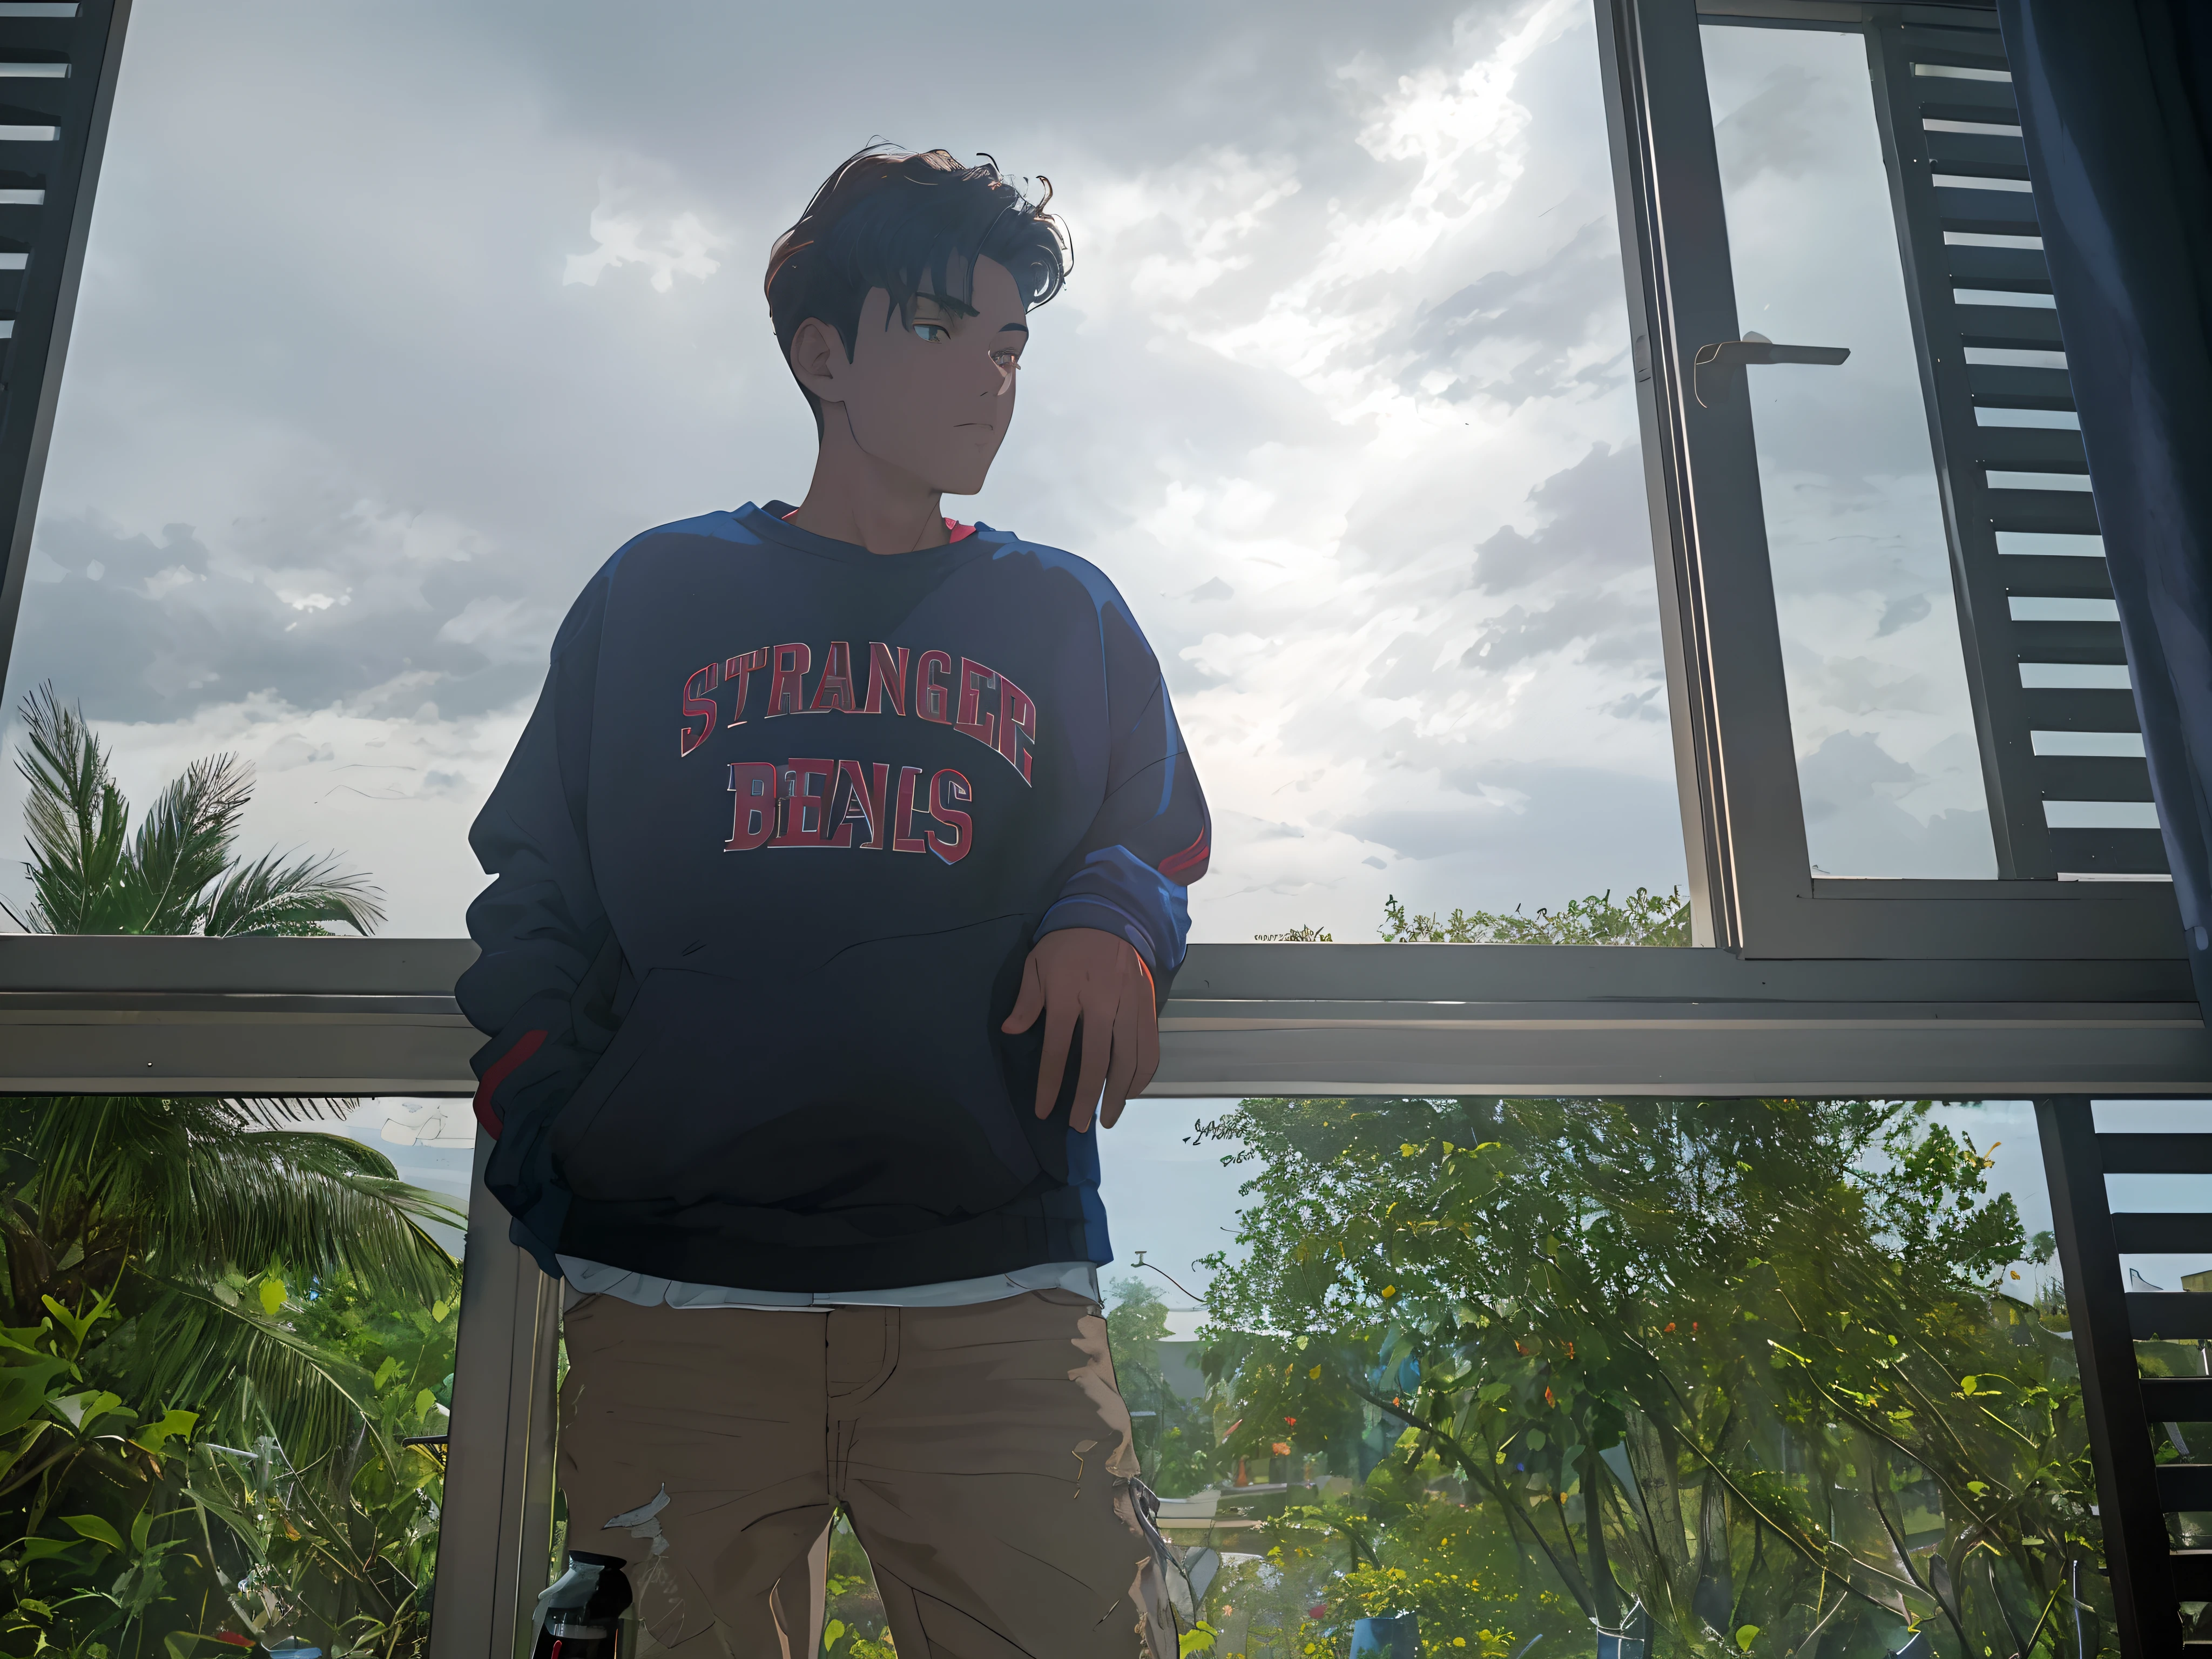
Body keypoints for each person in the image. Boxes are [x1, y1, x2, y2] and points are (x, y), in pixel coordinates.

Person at [457, 145, 1210, 1658]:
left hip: (992, 1285)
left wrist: (1109, 910)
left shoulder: (1065, 608)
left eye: (1010, 344)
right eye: (941, 331)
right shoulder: (658, 590)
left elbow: (1157, 829)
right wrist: (547, 1112)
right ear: (822, 354)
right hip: (675, 1289)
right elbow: (535, 878)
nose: (990, 381)